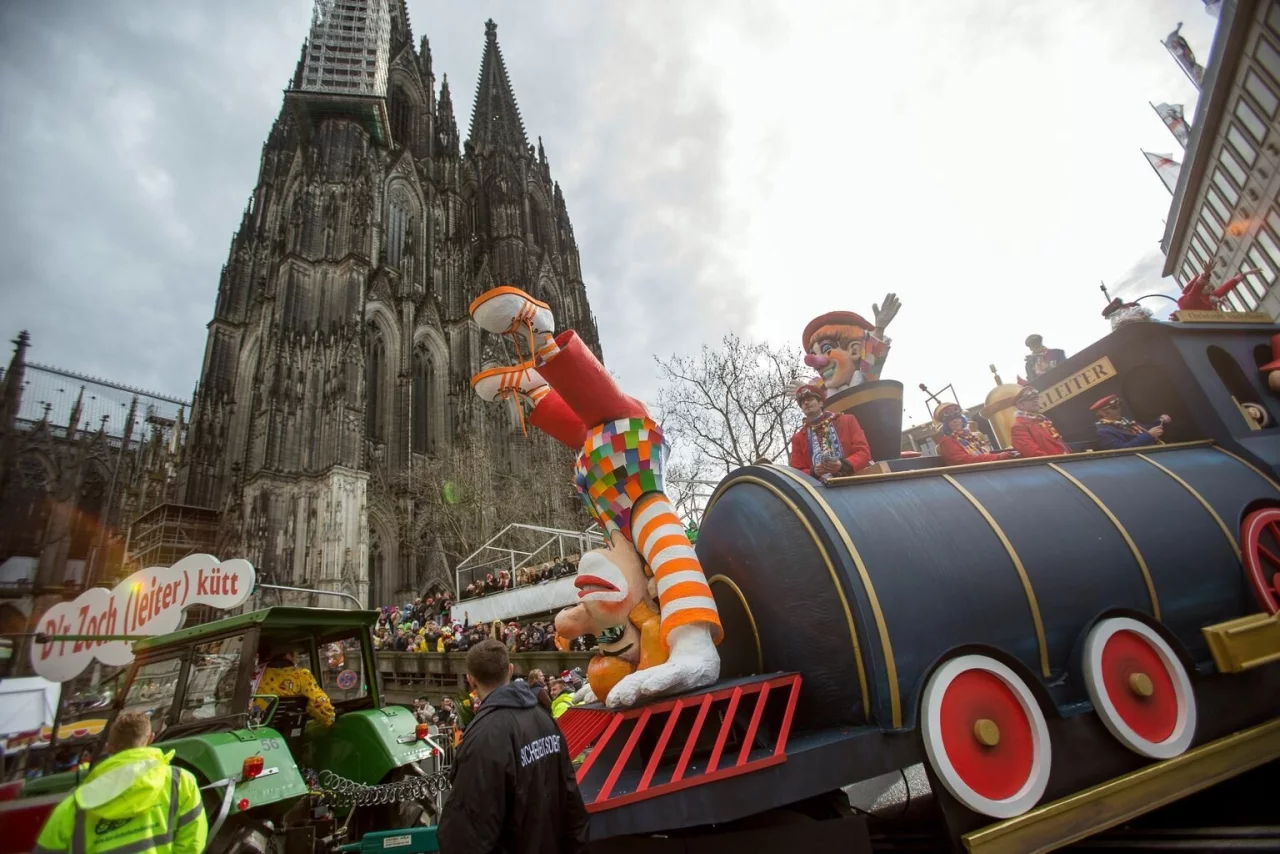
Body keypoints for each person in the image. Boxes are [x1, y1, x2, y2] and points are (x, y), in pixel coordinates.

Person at [438, 640, 589, 854]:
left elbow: (466, 835)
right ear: (510, 670)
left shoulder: (482, 738)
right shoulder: (544, 719)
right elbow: (571, 800)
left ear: (470, 680)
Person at [35, 712, 206, 854]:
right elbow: (192, 843)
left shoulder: (74, 805)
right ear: (150, 739)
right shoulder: (181, 782)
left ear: (109, 747)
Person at [788, 379, 873, 480]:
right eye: (802, 402)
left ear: (820, 403)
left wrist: (842, 465)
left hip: (855, 481)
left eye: (810, 399)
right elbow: (797, 471)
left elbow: (863, 452)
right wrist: (813, 471)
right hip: (819, 488)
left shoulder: (847, 421)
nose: (806, 403)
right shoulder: (798, 438)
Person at [252, 642, 336, 727]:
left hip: (257, 728)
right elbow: (319, 705)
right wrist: (330, 720)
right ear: (288, 654)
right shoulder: (301, 675)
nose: (297, 658)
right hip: (289, 729)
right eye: (296, 653)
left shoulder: (254, 676)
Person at [933, 402, 1016, 465]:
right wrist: (998, 457)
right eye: (951, 420)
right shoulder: (947, 441)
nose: (955, 421)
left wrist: (1008, 452)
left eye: (957, 418)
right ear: (946, 425)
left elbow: (985, 454)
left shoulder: (971, 436)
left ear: (962, 419)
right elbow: (964, 461)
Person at [1009, 386, 1071, 458]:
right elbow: (1034, 454)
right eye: (1030, 399)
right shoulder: (1018, 427)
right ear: (1020, 405)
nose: (1035, 401)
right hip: (1055, 463)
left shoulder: (1042, 421)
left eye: (1036, 398)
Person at [1092, 394, 1169, 449]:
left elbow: (1145, 429)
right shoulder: (1103, 432)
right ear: (1102, 412)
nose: (1119, 409)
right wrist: (1149, 436)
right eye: (1114, 407)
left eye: (1119, 406)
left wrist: (1160, 421)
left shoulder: (1126, 420)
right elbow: (1122, 450)